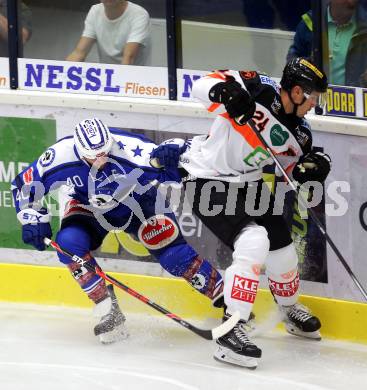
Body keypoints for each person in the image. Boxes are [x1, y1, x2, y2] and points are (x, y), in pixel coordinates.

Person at [151, 58, 331, 368]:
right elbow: (201, 85)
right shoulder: (257, 88)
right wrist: (224, 91)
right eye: (314, 96)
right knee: (254, 240)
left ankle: (287, 309)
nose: (315, 104)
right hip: (206, 177)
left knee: (283, 249)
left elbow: (291, 170)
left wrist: (310, 170)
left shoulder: (301, 133)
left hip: (249, 184)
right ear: (298, 91)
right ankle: (230, 331)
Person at [11, 118, 225, 344]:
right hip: (88, 208)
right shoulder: (59, 156)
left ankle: (229, 304)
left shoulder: (131, 148)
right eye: (94, 156)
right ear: (80, 150)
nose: (101, 159)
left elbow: (180, 162)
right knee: (68, 244)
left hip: (140, 204)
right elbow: (25, 186)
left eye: (105, 151)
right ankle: (108, 310)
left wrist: (173, 158)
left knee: (174, 255)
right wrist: (32, 218)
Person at [287, 0, 367, 87]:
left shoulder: (363, 28)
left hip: (352, 98)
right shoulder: (312, 22)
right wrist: (304, 70)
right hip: (314, 98)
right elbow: (293, 58)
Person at [66, 0, 151, 65]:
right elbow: (79, 53)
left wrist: (119, 83)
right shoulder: (95, 11)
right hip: (107, 76)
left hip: (134, 78)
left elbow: (129, 57)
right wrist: (61, 76)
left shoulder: (139, 14)